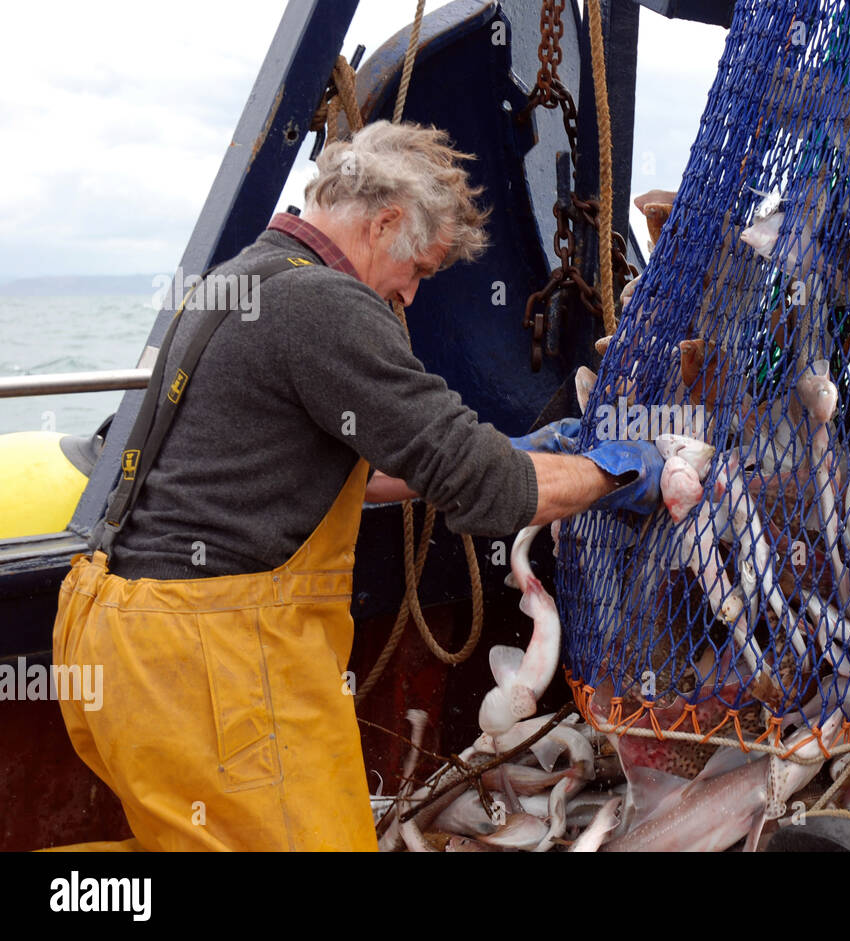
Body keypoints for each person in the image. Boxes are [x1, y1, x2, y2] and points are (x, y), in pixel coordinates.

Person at [51, 120, 662, 851]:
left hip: (118, 638)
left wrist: (506, 448)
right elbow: (489, 493)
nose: (411, 292)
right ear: (386, 222)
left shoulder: (241, 278)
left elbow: (345, 472)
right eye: (422, 270)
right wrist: (617, 472)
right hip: (210, 662)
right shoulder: (329, 306)